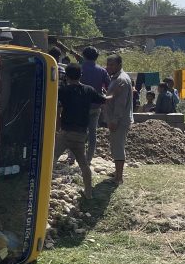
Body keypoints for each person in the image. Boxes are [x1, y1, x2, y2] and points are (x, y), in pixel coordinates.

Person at [54, 63, 106, 198]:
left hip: (65, 133)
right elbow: (103, 100)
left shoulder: (62, 91)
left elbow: (54, 104)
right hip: (81, 134)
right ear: (81, 75)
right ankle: (88, 193)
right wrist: (114, 94)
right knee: (83, 164)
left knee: (52, 160)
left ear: (66, 76)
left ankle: (44, 189)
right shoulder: (88, 90)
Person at [104, 54, 134, 184]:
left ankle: (119, 178)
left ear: (119, 65)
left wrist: (115, 120)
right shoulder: (116, 78)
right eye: (108, 64)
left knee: (118, 147)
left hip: (119, 120)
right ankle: (117, 172)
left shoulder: (121, 80)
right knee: (116, 146)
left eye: (112, 65)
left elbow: (120, 104)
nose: (108, 67)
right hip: (117, 118)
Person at [79, 46, 110, 163]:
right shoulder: (102, 71)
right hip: (96, 106)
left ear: (84, 56)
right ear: (96, 57)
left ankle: (72, 157)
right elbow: (109, 86)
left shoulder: (79, 69)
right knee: (92, 132)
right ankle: (89, 158)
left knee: (77, 131)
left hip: (79, 106)